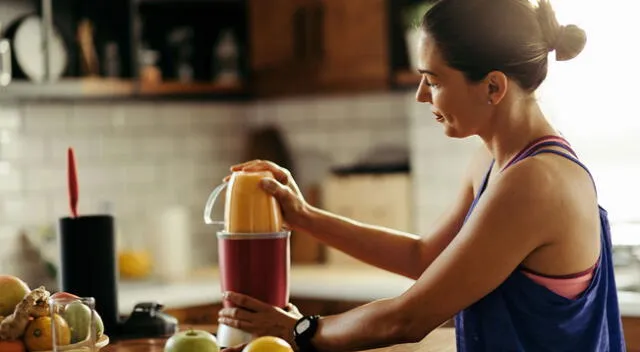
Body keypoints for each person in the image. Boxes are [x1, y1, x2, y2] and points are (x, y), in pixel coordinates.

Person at [218, 0, 626, 350]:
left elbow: (409, 318)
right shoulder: (494, 162)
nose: (421, 94)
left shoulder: (536, 181)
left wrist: (299, 330)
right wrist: (305, 216)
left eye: (433, 80)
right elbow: (426, 258)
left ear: (493, 87)